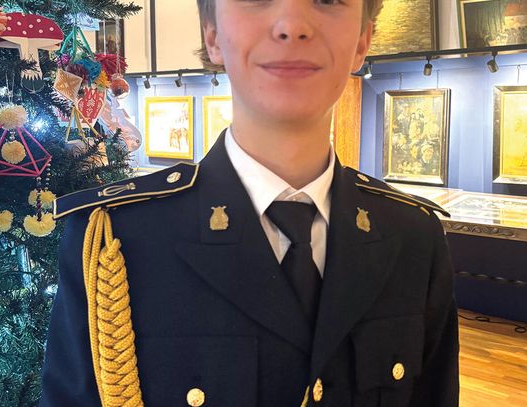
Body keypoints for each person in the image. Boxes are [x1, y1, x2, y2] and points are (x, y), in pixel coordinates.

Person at [40, 1, 459, 406]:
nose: (292, 25)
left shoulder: (413, 238)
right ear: (212, 35)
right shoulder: (116, 243)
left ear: (362, 41)